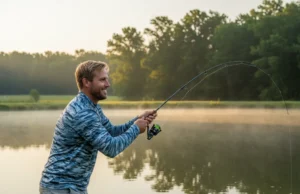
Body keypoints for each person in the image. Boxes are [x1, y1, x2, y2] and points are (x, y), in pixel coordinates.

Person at [39, 60, 157, 194]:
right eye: (102, 80)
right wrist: (136, 129)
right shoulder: (83, 112)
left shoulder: (91, 106)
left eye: (107, 79)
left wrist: (137, 120)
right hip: (60, 188)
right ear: (86, 82)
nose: (108, 84)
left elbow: (111, 132)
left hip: (73, 187)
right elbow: (111, 148)